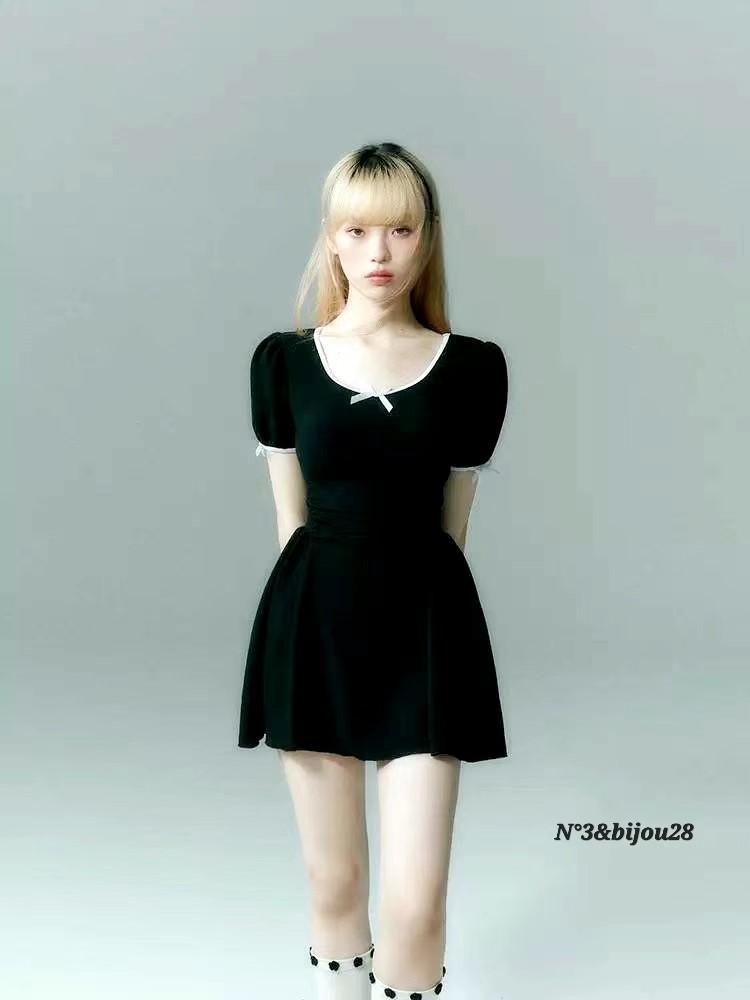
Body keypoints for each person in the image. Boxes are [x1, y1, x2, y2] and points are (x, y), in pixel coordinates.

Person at [238, 141, 510, 999]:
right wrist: (300, 637)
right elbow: (291, 525)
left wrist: (433, 632)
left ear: (428, 236)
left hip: (425, 631)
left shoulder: (473, 368)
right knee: (335, 886)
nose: (379, 252)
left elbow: (452, 533)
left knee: (416, 906)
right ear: (331, 238)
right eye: (357, 230)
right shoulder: (284, 363)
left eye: (400, 229)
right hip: (314, 628)